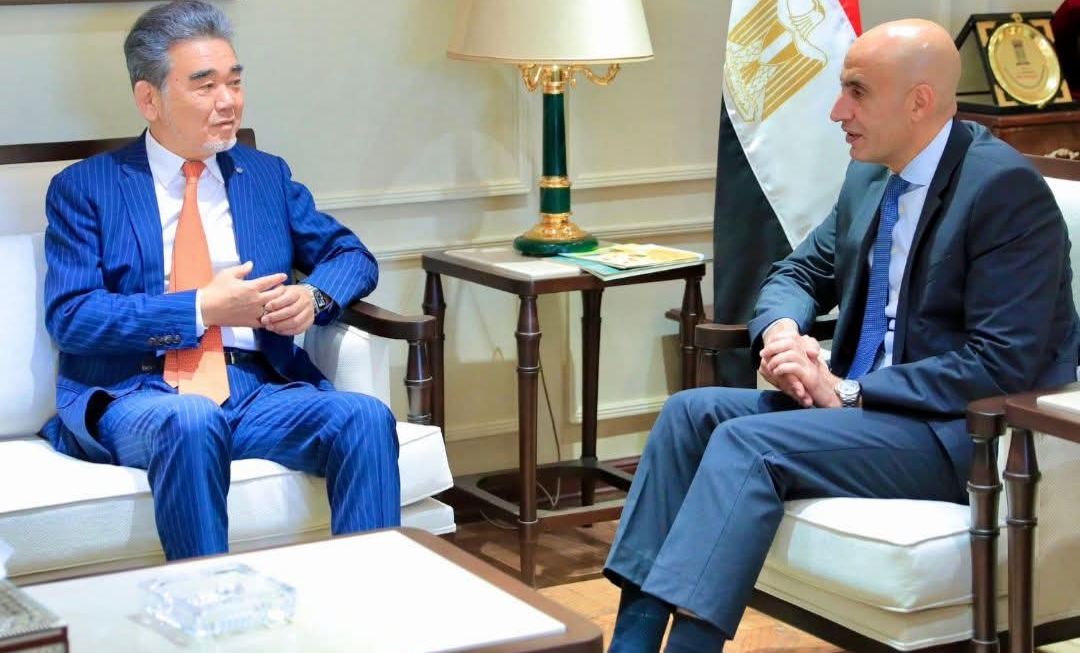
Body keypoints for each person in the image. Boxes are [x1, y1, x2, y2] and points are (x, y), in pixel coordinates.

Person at [604, 18, 1080, 653]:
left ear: (919, 101)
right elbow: (799, 271)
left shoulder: (1003, 191)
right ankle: (632, 645)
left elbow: (1002, 362)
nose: (837, 111)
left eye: (857, 91)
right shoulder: (872, 176)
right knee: (688, 415)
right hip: (864, 414)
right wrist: (784, 336)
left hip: (953, 433)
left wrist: (851, 391)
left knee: (748, 444)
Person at [39, 0, 401, 561]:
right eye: (205, 86)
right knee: (192, 419)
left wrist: (314, 296)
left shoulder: (264, 176)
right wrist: (200, 309)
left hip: (255, 391)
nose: (228, 101)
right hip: (139, 392)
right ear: (149, 99)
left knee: (364, 415)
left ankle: (367, 604)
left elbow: (350, 255)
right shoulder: (87, 188)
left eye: (234, 82)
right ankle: (207, 605)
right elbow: (72, 317)